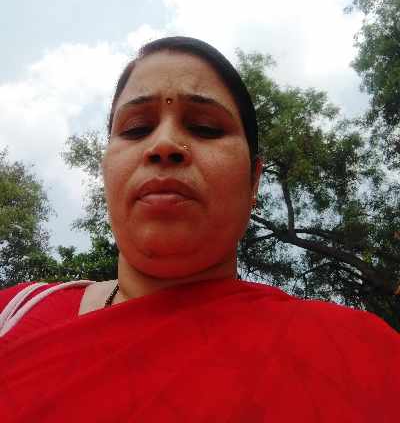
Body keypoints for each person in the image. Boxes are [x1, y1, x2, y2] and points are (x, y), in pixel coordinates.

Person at [0, 36, 399, 422]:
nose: (165, 144)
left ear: (254, 181)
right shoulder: (15, 314)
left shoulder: (362, 357)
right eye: (136, 128)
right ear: (105, 169)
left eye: (206, 127)